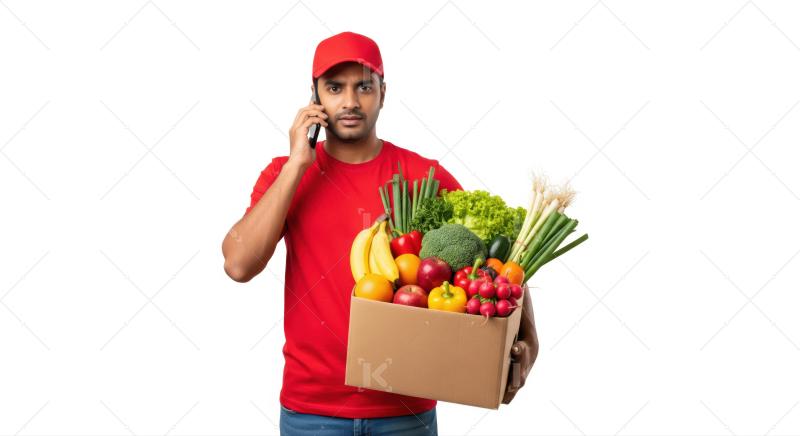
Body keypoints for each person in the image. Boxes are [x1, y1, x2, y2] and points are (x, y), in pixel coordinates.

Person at [222, 31, 538, 436]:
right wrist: (298, 163)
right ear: (315, 97)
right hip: (311, 411)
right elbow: (238, 264)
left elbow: (496, 260)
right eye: (335, 88)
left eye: (364, 87)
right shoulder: (284, 174)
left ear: (383, 94)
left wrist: (529, 336)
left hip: (406, 409)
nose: (350, 101)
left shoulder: (424, 177)